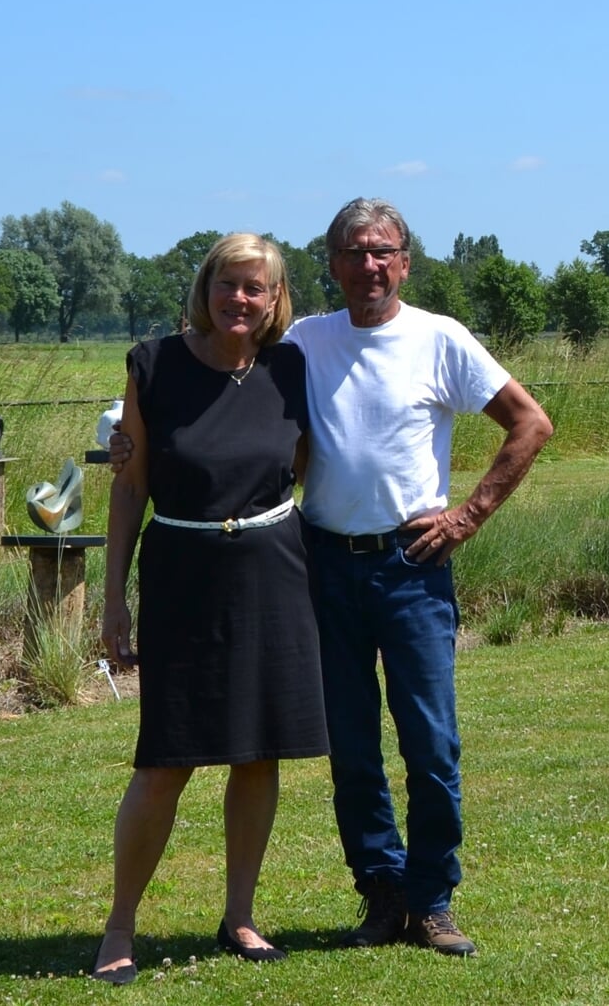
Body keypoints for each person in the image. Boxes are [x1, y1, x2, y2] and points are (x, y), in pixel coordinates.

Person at [117, 199, 554, 956]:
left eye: (382, 252)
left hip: (412, 568)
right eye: (353, 254)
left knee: (431, 746)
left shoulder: (440, 339)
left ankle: (433, 901)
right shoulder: (302, 344)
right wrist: (132, 444)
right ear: (332, 266)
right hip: (318, 566)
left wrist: (467, 516)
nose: (369, 267)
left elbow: (531, 422)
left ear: (405, 261)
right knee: (352, 752)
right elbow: (213, 389)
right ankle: (381, 894)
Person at [93, 234, 328, 985]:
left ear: (274, 297)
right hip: (181, 576)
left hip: (273, 574)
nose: (241, 299)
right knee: (167, 758)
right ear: (207, 286)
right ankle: (120, 928)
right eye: (229, 283)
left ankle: (241, 916)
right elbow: (128, 486)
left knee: (258, 753)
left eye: (256, 288)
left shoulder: (290, 368)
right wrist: (112, 601)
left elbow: (302, 461)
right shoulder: (153, 364)